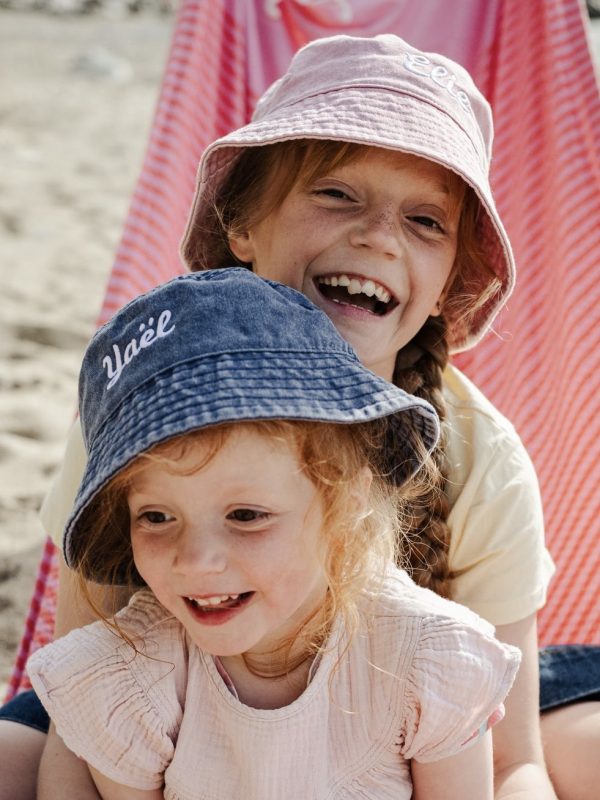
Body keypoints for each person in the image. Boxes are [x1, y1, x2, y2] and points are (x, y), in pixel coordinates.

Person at [1, 32, 598, 800]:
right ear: (244, 226)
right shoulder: (148, 406)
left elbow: (512, 758)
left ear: (451, 278)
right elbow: (86, 706)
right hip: (181, 705)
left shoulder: (480, 457)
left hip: (420, 719)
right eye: (337, 194)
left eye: (425, 222)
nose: (378, 235)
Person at [27, 267, 521, 799]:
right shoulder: (134, 680)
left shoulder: (423, 663)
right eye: (157, 517)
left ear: (345, 498)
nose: (196, 561)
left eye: (245, 516)